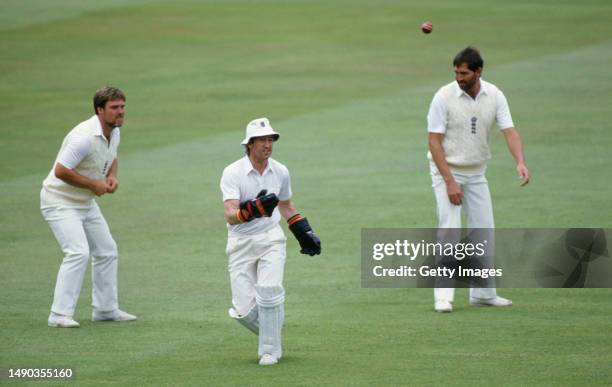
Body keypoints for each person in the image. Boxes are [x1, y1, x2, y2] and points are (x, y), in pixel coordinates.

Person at [426, 47, 530, 313]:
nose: (459, 77)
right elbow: (434, 142)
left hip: (477, 171)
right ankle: (443, 296)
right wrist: (449, 181)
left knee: (484, 229)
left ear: (478, 72)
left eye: (464, 73)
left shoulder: (494, 95)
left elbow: (510, 131)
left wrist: (519, 161)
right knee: (449, 228)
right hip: (446, 169)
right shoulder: (443, 96)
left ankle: (483, 293)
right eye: (456, 72)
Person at [220, 117, 321, 366]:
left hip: (270, 239)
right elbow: (230, 215)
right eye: (262, 140)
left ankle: (269, 351)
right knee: (242, 310)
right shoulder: (233, 172)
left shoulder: (281, 171)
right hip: (240, 242)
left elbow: (286, 206)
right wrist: (251, 210)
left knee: (269, 292)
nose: (267, 144)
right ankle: (272, 330)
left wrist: (302, 230)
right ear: (249, 144)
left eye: (270, 140)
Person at [41, 86, 137, 327]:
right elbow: (61, 171)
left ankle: (105, 309)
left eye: (122, 106)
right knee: (78, 252)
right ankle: (59, 315)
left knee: (107, 250)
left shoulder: (113, 132)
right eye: (114, 108)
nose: (120, 112)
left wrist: (112, 176)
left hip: (84, 202)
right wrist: (94, 185)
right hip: (59, 202)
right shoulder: (83, 137)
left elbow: (111, 156)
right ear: (99, 110)